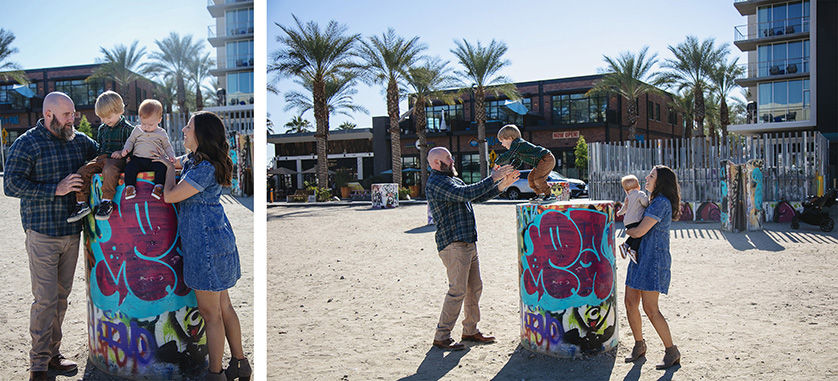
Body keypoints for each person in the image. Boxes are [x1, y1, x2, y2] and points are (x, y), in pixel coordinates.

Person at [4, 92, 98, 381]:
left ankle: (54, 355)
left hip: (73, 234)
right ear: (48, 115)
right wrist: (54, 189)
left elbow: (107, 150)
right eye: (67, 114)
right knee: (44, 300)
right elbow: (11, 184)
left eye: (73, 114)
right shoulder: (26, 143)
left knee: (60, 299)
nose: (74, 119)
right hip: (42, 233)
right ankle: (38, 366)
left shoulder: (79, 141)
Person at [154, 111, 250, 380]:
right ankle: (240, 365)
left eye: (189, 126)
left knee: (211, 314)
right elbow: (179, 163)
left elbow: (171, 196)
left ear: (201, 135)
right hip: (212, 241)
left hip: (207, 247)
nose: (183, 130)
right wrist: (171, 162)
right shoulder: (196, 161)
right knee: (223, 308)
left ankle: (215, 373)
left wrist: (166, 170)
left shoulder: (204, 168)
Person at [425, 146, 519, 350]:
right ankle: (441, 336)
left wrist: (503, 185)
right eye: (448, 158)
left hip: (468, 242)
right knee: (457, 291)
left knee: (474, 288)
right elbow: (466, 193)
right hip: (453, 244)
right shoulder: (436, 183)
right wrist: (493, 177)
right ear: (436, 163)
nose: (452, 161)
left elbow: (475, 197)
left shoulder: (452, 180)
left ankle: (470, 330)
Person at [624, 165, 682, 369]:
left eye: (651, 176)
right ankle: (639, 346)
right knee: (630, 302)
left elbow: (639, 231)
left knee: (650, 308)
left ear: (661, 181)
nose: (646, 178)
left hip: (653, 261)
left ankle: (671, 351)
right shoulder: (650, 201)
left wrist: (627, 232)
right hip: (639, 258)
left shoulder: (660, 203)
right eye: (648, 174)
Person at [67, 90, 133, 222]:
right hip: (102, 157)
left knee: (109, 169)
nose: (104, 121)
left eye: (108, 117)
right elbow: (100, 147)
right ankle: (81, 203)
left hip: (117, 160)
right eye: (102, 117)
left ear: (120, 111)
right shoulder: (102, 129)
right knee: (82, 171)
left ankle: (106, 201)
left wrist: (122, 153)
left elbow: (132, 148)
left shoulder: (128, 129)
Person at [114, 99, 175, 200]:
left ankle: (158, 187)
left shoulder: (161, 133)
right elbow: (130, 141)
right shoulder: (137, 130)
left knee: (161, 168)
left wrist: (171, 155)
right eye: (143, 123)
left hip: (155, 159)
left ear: (159, 120)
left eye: (150, 125)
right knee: (129, 168)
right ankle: (130, 187)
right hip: (138, 159)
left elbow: (167, 146)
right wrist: (126, 149)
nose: (146, 127)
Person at [494, 124, 556, 202]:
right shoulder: (518, 149)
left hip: (545, 158)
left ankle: (549, 195)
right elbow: (517, 162)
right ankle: (540, 194)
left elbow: (509, 154)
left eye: (502, 141)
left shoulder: (517, 143)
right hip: (540, 162)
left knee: (538, 178)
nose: (502, 144)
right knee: (530, 179)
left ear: (510, 138)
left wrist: (497, 162)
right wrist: (509, 170)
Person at [617, 174, 649, 264]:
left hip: (627, 221)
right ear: (638, 186)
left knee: (633, 235)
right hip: (636, 219)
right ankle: (633, 250)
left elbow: (624, 208)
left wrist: (619, 213)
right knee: (639, 234)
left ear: (626, 191)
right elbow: (645, 203)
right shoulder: (640, 194)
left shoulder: (628, 197)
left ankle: (625, 245)